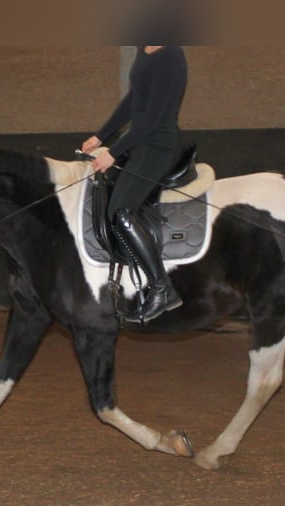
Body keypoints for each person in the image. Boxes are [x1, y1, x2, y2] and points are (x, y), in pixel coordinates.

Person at [81, 45, 187, 324]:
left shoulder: (171, 57)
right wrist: (101, 134)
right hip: (140, 142)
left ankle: (162, 287)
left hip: (159, 144)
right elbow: (133, 100)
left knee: (121, 211)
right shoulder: (144, 49)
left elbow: (151, 119)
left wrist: (113, 152)